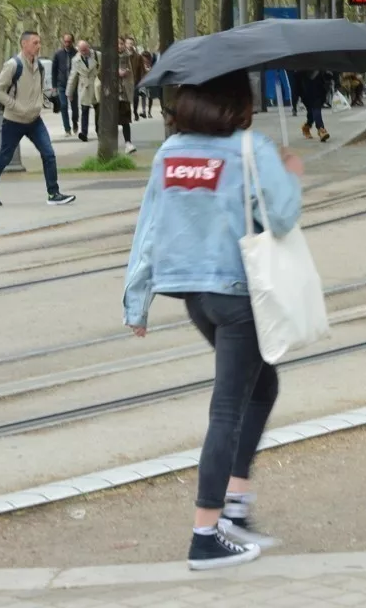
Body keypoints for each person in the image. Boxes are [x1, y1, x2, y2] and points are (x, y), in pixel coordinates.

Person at [123, 70, 302, 570]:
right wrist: (287, 173)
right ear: (237, 102)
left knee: (262, 386)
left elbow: (149, 227)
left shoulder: (170, 153)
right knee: (228, 410)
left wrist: (136, 301)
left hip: (193, 296)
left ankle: (235, 513)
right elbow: (282, 218)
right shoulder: (251, 148)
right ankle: (206, 533)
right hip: (238, 293)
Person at [0, 31, 75, 207]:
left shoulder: (39, 66)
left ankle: (53, 193)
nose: (38, 46)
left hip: (34, 121)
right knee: (5, 157)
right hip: (14, 121)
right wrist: (16, 106)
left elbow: (38, 91)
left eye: (39, 42)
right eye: (35, 43)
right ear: (24, 44)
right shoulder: (13, 65)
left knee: (49, 154)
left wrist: (48, 101)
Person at [67, 40, 101, 142]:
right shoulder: (75, 60)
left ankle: (99, 131)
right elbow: (73, 76)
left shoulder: (97, 55)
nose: (84, 52)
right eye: (81, 50)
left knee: (98, 110)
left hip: (96, 85)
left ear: (88, 47)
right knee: (84, 110)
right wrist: (69, 92)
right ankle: (84, 133)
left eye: (85, 49)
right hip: (84, 86)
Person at [52, 33, 77, 136]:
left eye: (69, 42)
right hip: (61, 84)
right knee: (63, 105)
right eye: (65, 41)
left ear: (72, 42)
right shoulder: (58, 54)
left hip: (74, 84)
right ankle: (67, 129)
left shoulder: (76, 53)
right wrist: (54, 86)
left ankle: (75, 121)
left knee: (74, 106)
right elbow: (54, 70)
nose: (67, 44)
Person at [116, 37, 138, 154]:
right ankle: (110, 144)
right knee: (112, 120)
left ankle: (128, 143)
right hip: (112, 93)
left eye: (121, 43)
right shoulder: (108, 57)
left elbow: (133, 73)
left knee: (125, 119)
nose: (119, 46)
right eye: (117, 44)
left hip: (124, 92)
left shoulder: (129, 56)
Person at [299, 70, 329, 142]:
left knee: (314, 111)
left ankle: (314, 128)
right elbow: (297, 80)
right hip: (306, 91)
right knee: (313, 111)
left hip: (319, 90)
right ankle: (316, 128)